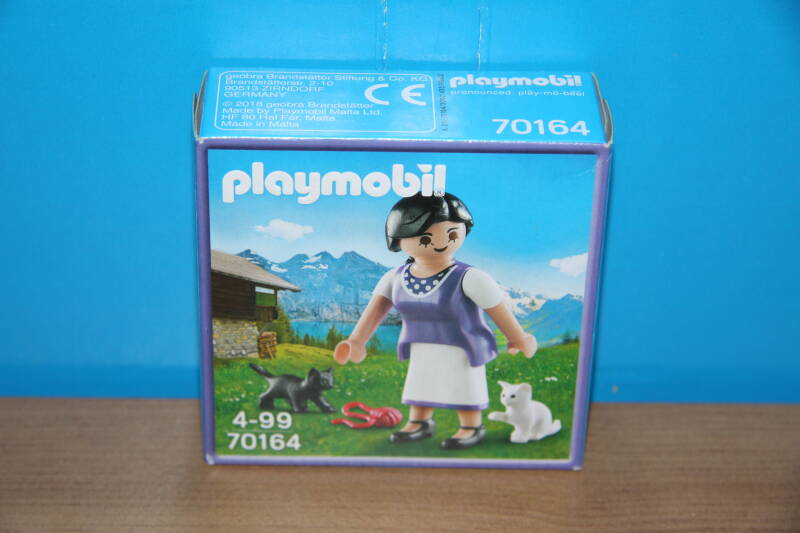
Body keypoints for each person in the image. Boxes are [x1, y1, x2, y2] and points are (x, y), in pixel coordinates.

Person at [334, 192, 537, 449]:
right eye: (425, 238)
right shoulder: (395, 277)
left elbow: (497, 308)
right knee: (420, 383)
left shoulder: (469, 277)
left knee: (464, 385)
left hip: (462, 346)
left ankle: (471, 426)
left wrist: (517, 337)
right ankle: (419, 422)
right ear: (398, 239)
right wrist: (356, 341)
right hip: (421, 345)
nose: (440, 243)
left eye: (452, 234)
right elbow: (376, 309)